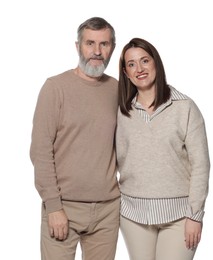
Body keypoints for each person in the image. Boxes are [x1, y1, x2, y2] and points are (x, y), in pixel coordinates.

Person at [30, 17, 120, 260]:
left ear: (112, 47)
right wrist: (54, 206)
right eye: (90, 43)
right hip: (64, 206)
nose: (97, 52)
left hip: (107, 210)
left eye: (104, 44)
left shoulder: (118, 90)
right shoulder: (55, 88)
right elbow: (40, 151)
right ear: (78, 46)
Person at [116, 38, 210, 260]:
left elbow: (201, 165)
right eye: (131, 64)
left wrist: (195, 216)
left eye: (145, 61)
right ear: (125, 72)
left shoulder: (184, 107)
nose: (139, 69)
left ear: (156, 62)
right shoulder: (122, 111)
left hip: (179, 216)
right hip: (132, 214)